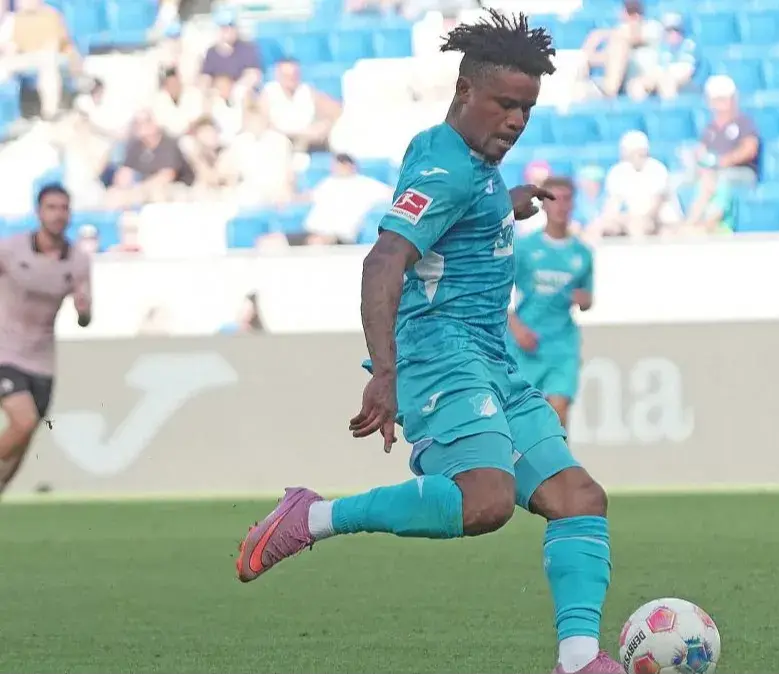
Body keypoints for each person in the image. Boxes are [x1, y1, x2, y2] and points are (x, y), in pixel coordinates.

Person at [235, 11, 622, 675]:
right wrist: (384, 373)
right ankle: (313, 515)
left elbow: (461, 210)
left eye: (526, 109)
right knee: (485, 501)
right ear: (464, 90)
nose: (516, 121)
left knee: (578, 498)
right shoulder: (448, 169)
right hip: (439, 355)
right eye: (504, 104)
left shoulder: (469, 160)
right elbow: (383, 262)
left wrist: (508, 203)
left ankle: (579, 660)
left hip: (491, 359)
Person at [0, 184, 92, 497]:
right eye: (51, 207)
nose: (58, 215)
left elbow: (85, 316)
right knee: (23, 422)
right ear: (39, 212)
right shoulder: (12, 250)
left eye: (64, 208)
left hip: (42, 362)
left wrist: (83, 310)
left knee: (21, 445)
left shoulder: (77, 261)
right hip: (6, 352)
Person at [507, 176, 593, 431]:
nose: (560, 206)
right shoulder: (524, 248)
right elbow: (498, 292)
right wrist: (516, 328)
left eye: (566, 199)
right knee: (525, 416)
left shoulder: (582, 253)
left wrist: (584, 300)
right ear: (544, 204)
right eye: (554, 199)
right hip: (528, 341)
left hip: (562, 343)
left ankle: (558, 457)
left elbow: (587, 299)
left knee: (558, 409)